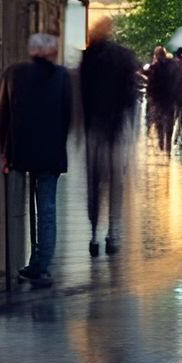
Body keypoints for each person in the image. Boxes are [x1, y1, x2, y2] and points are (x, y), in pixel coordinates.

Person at [0, 32, 74, 288]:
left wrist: (4, 151)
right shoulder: (62, 76)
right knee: (47, 209)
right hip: (50, 153)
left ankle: (11, 260)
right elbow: (67, 117)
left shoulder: (14, 73)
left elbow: (2, 114)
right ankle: (41, 264)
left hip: (20, 150)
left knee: (16, 208)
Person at [79, 17, 139, 257]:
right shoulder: (124, 56)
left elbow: (81, 96)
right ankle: (113, 233)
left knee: (95, 184)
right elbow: (130, 97)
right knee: (116, 184)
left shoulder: (87, 58)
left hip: (95, 129)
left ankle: (94, 233)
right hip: (116, 129)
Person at [147, 46, 181, 153]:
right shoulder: (173, 66)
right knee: (169, 127)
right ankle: (168, 152)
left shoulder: (154, 67)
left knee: (159, 127)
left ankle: (161, 148)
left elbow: (150, 85)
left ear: (156, 55)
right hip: (170, 101)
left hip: (157, 101)